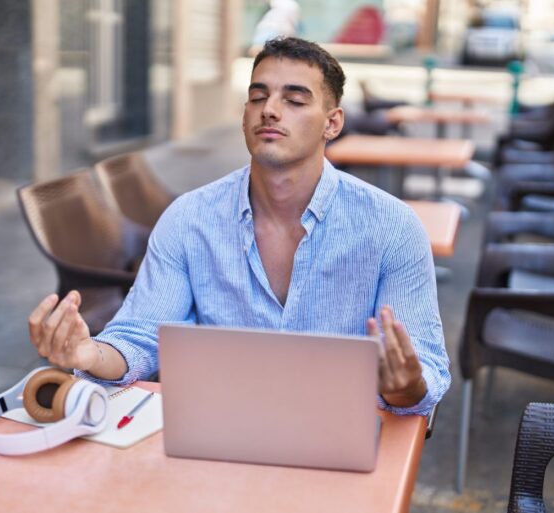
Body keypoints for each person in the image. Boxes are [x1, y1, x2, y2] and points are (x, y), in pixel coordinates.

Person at [28, 37, 450, 415]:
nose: (269, 109)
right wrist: (87, 353)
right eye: (258, 96)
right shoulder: (190, 219)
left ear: (332, 123)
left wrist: (405, 385)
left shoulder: (393, 228)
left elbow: (424, 373)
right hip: (218, 437)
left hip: (340, 439)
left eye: (295, 100)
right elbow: (139, 339)